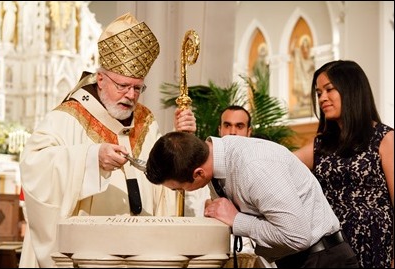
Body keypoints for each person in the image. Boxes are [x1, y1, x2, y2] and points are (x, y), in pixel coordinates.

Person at [18, 12, 196, 268]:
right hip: (88, 254)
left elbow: (164, 180)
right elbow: (34, 166)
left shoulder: (146, 121)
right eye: (122, 86)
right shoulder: (69, 116)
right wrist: (90, 158)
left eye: (137, 88)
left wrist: (182, 139)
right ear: (100, 78)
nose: (130, 95)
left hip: (141, 251)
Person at [145, 131, 360, 268]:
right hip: (300, 260)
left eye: (179, 188)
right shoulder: (216, 157)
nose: (183, 192)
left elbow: (297, 235)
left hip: (324, 260)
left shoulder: (254, 167)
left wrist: (237, 220)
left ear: (198, 173)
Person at [293, 60, 394, 268]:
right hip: (333, 250)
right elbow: (282, 163)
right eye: (319, 92)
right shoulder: (321, 145)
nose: (322, 98)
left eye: (329, 89)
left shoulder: (385, 139)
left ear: (351, 89)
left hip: (376, 248)